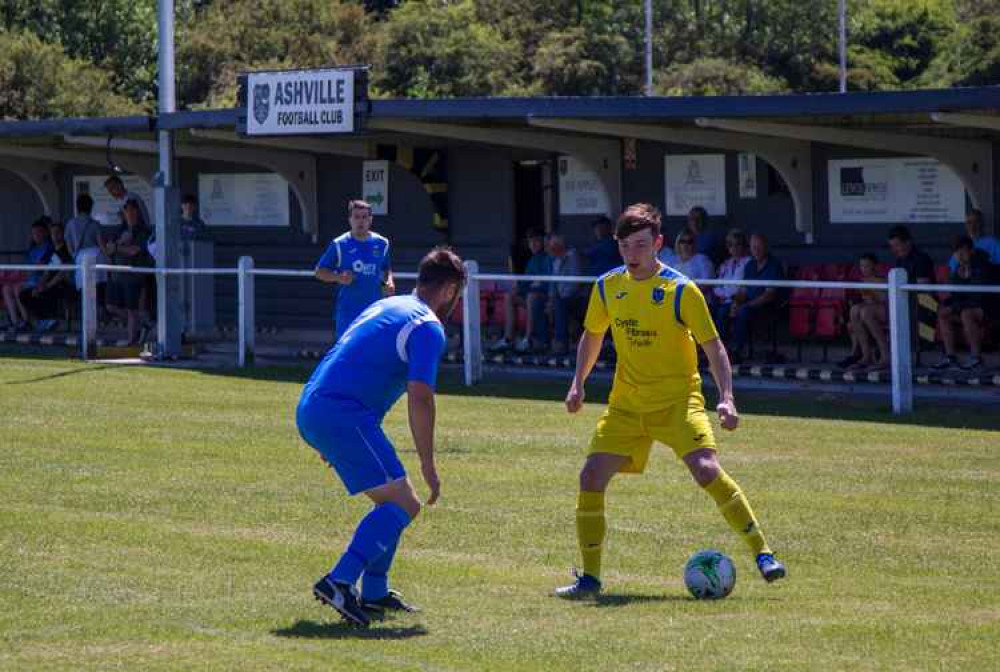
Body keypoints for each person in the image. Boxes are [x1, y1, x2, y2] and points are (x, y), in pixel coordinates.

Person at [555, 203, 785, 599]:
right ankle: (590, 579)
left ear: (658, 244)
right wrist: (578, 383)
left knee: (706, 470)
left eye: (641, 245)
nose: (633, 254)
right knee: (590, 477)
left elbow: (713, 348)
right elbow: (592, 336)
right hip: (627, 406)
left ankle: (763, 552)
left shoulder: (681, 291)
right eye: (625, 246)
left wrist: (726, 398)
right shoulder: (608, 286)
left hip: (679, 403)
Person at [297, 247, 466, 628]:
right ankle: (339, 581)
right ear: (449, 289)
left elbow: (346, 355)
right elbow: (420, 397)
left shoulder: (388, 305)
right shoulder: (427, 326)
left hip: (316, 403)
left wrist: (325, 431)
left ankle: (374, 590)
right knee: (405, 504)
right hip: (341, 412)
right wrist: (428, 462)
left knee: (394, 498)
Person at [315, 200, 394, 340]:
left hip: (374, 311)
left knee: (372, 353)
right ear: (350, 220)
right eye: (356, 217)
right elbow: (319, 272)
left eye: (364, 217)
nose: (360, 221)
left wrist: (388, 282)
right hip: (348, 312)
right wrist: (339, 277)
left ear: (370, 220)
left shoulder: (382, 243)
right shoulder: (339, 244)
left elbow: (385, 269)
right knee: (346, 355)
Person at [488, 229, 552, 353]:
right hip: (532, 297)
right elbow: (526, 282)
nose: (533, 245)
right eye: (530, 242)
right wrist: (519, 287)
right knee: (510, 296)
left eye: (536, 241)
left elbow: (548, 282)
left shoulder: (548, 257)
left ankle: (528, 339)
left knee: (531, 296)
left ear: (543, 242)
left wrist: (534, 286)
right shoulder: (532, 260)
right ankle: (508, 339)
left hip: (546, 299)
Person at [935, 236, 990, 371]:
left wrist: (956, 306)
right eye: (956, 252)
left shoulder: (981, 264)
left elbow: (978, 296)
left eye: (962, 251)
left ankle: (976, 358)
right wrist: (951, 305)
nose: (959, 255)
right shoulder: (958, 268)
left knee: (966, 314)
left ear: (971, 251)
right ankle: (950, 356)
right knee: (943, 313)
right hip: (966, 305)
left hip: (987, 307)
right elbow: (956, 294)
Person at [102, 198, 153, 344]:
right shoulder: (119, 230)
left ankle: (132, 339)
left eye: (132, 209)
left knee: (132, 310)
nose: (129, 213)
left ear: (137, 211)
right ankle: (143, 324)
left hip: (134, 275)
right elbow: (108, 249)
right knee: (110, 306)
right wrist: (119, 244)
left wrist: (118, 248)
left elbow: (135, 251)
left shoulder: (144, 231)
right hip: (116, 274)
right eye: (126, 210)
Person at [728, 233, 785, 361]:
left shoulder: (773, 265)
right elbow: (743, 290)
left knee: (743, 311)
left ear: (766, 247)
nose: (756, 250)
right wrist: (736, 302)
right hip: (750, 304)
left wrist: (747, 305)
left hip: (768, 307)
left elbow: (769, 295)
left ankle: (736, 350)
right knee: (725, 310)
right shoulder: (750, 266)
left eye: (759, 247)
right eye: (754, 247)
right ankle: (720, 351)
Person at [19, 221, 77, 332]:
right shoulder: (52, 252)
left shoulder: (67, 250)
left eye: (58, 232)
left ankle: (49, 320)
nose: (55, 235)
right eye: (52, 233)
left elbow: (63, 273)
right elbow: (47, 272)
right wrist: (40, 285)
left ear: (63, 234)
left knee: (48, 292)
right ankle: (43, 321)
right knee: (24, 294)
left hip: (64, 284)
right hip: (50, 284)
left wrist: (47, 286)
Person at [2, 218, 54, 332]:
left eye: (38, 232)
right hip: (28, 279)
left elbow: (41, 267)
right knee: (6, 289)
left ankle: (27, 322)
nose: (35, 235)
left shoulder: (48, 247)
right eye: (33, 233)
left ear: (45, 233)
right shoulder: (33, 249)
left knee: (17, 289)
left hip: (39, 280)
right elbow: (26, 267)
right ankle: (15, 322)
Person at [841, 253, 889, 371]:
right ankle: (866, 355)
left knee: (865, 312)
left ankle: (885, 356)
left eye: (867, 266)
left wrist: (875, 298)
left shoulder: (883, 280)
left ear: (875, 267)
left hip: (888, 311)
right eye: (862, 266)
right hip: (872, 310)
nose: (864, 269)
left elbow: (887, 300)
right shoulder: (862, 281)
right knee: (854, 310)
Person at [547, 234, 588, 355]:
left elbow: (576, 283)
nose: (550, 249)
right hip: (564, 298)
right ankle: (540, 341)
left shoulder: (573, 256)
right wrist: (551, 299)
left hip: (580, 298)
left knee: (560, 304)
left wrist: (561, 297)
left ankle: (561, 342)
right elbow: (553, 283)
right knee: (548, 304)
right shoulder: (556, 261)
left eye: (553, 246)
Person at [709, 229, 751, 338]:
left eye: (738, 244)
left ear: (744, 246)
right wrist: (720, 295)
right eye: (731, 245)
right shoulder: (726, 264)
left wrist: (726, 295)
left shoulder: (749, 262)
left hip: (739, 299)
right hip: (723, 299)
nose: (734, 248)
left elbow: (741, 286)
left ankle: (734, 348)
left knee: (723, 312)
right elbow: (717, 285)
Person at [949, 209, 1000, 275]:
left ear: (981, 223)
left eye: (976, 222)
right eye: (969, 222)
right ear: (965, 225)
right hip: (966, 283)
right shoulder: (960, 244)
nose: (972, 225)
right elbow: (952, 270)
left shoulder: (993, 242)